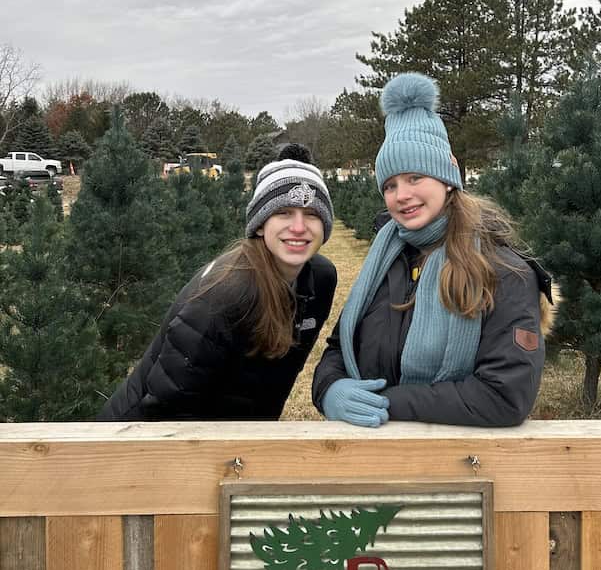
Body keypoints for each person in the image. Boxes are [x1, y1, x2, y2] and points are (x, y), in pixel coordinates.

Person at [312, 73, 555, 428]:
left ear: (446, 178)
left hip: (458, 466)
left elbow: (505, 396)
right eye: (391, 184)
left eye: (415, 178)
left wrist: (387, 404)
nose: (402, 195)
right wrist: (329, 389)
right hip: (369, 462)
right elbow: (338, 349)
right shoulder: (385, 262)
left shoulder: (503, 270)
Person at [98, 145, 337, 420]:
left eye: (311, 214)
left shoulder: (320, 280)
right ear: (260, 224)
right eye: (283, 213)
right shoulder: (226, 294)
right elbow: (169, 406)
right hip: (138, 436)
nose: (298, 227)